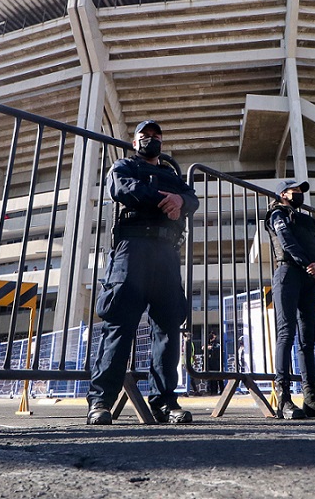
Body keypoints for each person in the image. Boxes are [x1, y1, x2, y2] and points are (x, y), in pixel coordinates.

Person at [86, 120, 200, 425]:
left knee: (168, 328)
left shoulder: (172, 175)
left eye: (155, 136)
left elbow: (192, 199)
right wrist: (165, 201)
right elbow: (122, 189)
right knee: (119, 325)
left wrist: (180, 201)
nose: (150, 139)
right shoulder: (124, 165)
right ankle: (100, 402)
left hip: (166, 253)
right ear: (135, 142)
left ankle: (165, 403)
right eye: (144, 136)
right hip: (132, 249)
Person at [264, 179, 315, 419]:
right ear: (282, 194)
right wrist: (309, 264)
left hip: (308, 277)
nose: (298, 194)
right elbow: (286, 240)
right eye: (293, 190)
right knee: (286, 333)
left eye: (300, 191)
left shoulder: (305, 219)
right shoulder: (277, 214)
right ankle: (284, 399)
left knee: (308, 339)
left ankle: (311, 398)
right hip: (288, 272)